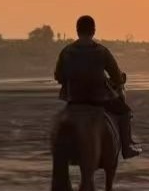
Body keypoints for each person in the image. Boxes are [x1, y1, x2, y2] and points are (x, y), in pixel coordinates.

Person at [54, 15, 143, 158]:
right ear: (93, 31)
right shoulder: (102, 51)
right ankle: (126, 148)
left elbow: (58, 76)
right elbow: (117, 76)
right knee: (125, 112)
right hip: (99, 100)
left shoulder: (66, 52)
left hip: (74, 100)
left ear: (77, 31)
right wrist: (117, 81)